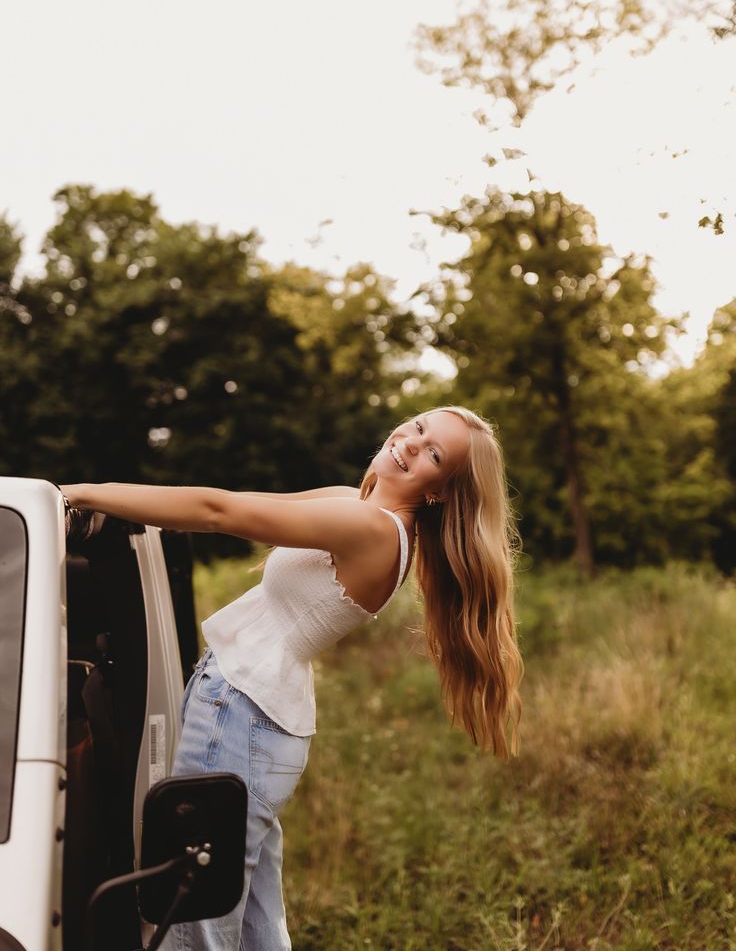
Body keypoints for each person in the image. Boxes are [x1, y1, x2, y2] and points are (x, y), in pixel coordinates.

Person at [61, 405, 523, 951]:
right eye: (419, 428)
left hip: (242, 718)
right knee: (256, 925)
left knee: (193, 921)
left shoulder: (371, 528)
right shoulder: (354, 504)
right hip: (254, 720)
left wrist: (76, 492)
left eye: (434, 455)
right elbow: (248, 504)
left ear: (440, 492)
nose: (411, 444)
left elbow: (217, 510)